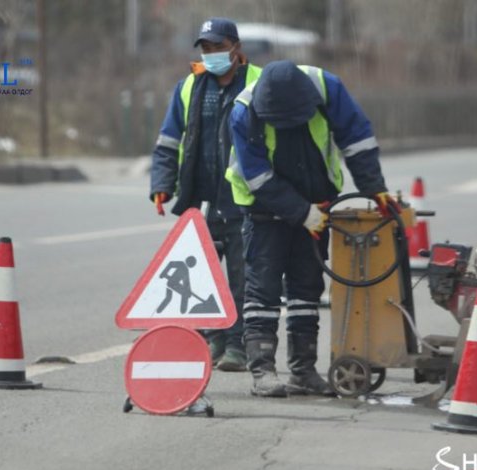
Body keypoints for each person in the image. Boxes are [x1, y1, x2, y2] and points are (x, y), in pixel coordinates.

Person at [226, 60, 399, 397]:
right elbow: (257, 176)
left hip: (317, 204)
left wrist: (373, 186)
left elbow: (357, 139)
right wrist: (302, 213)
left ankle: (303, 371)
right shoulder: (244, 111)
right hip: (265, 211)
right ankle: (262, 371)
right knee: (262, 290)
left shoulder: (327, 88)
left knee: (307, 289)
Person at [150, 17, 261, 373]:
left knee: (242, 278)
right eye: (206, 48)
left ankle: (237, 345)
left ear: (236, 48)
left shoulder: (259, 82)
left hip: (244, 200)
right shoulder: (189, 87)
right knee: (201, 278)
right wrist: (162, 183)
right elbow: (169, 139)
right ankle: (212, 338)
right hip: (200, 200)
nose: (211, 54)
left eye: (218, 47)